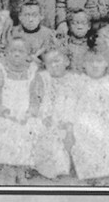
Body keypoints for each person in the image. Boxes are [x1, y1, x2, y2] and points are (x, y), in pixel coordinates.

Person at [0, 36, 43, 182]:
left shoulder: (32, 72)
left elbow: (36, 96)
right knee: (6, 130)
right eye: (13, 51)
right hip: (5, 112)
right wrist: (3, 111)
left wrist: (31, 111)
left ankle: (22, 168)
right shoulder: (0, 70)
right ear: (6, 53)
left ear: (28, 55)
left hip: (25, 113)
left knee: (29, 129)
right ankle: (9, 168)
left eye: (21, 51)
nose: (16, 54)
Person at [69, 51, 109, 184]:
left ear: (106, 63)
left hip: (108, 123)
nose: (95, 65)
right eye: (90, 62)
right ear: (84, 64)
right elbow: (72, 106)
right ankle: (91, 179)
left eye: (99, 61)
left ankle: (107, 178)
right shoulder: (79, 81)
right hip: (85, 125)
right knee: (85, 146)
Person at [32, 48, 78, 180]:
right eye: (49, 63)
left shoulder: (74, 79)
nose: (54, 65)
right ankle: (50, 169)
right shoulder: (43, 77)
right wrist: (43, 116)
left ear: (67, 61)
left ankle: (65, 166)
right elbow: (37, 100)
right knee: (45, 134)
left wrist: (70, 121)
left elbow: (77, 103)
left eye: (57, 61)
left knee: (69, 135)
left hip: (68, 118)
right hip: (48, 117)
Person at [57, 8, 93, 73]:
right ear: (68, 26)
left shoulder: (92, 46)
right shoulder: (63, 46)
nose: (79, 27)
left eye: (83, 23)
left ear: (89, 26)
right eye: (75, 23)